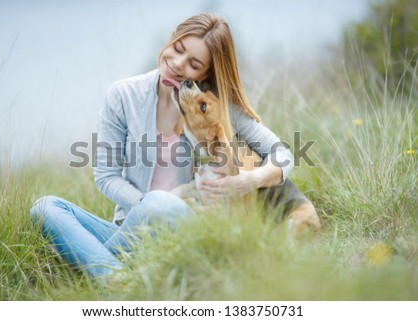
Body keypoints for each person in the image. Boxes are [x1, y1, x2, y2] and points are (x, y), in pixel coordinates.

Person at [30, 13, 320, 281]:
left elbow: (283, 154)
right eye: (178, 48)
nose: (178, 63)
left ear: (206, 73)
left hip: (186, 226)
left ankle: (104, 268)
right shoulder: (124, 95)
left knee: (161, 202)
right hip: (130, 226)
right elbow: (106, 176)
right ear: (171, 38)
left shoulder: (215, 107)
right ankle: (120, 282)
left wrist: (249, 180)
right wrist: (145, 206)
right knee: (45, 208)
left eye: (194, 64)